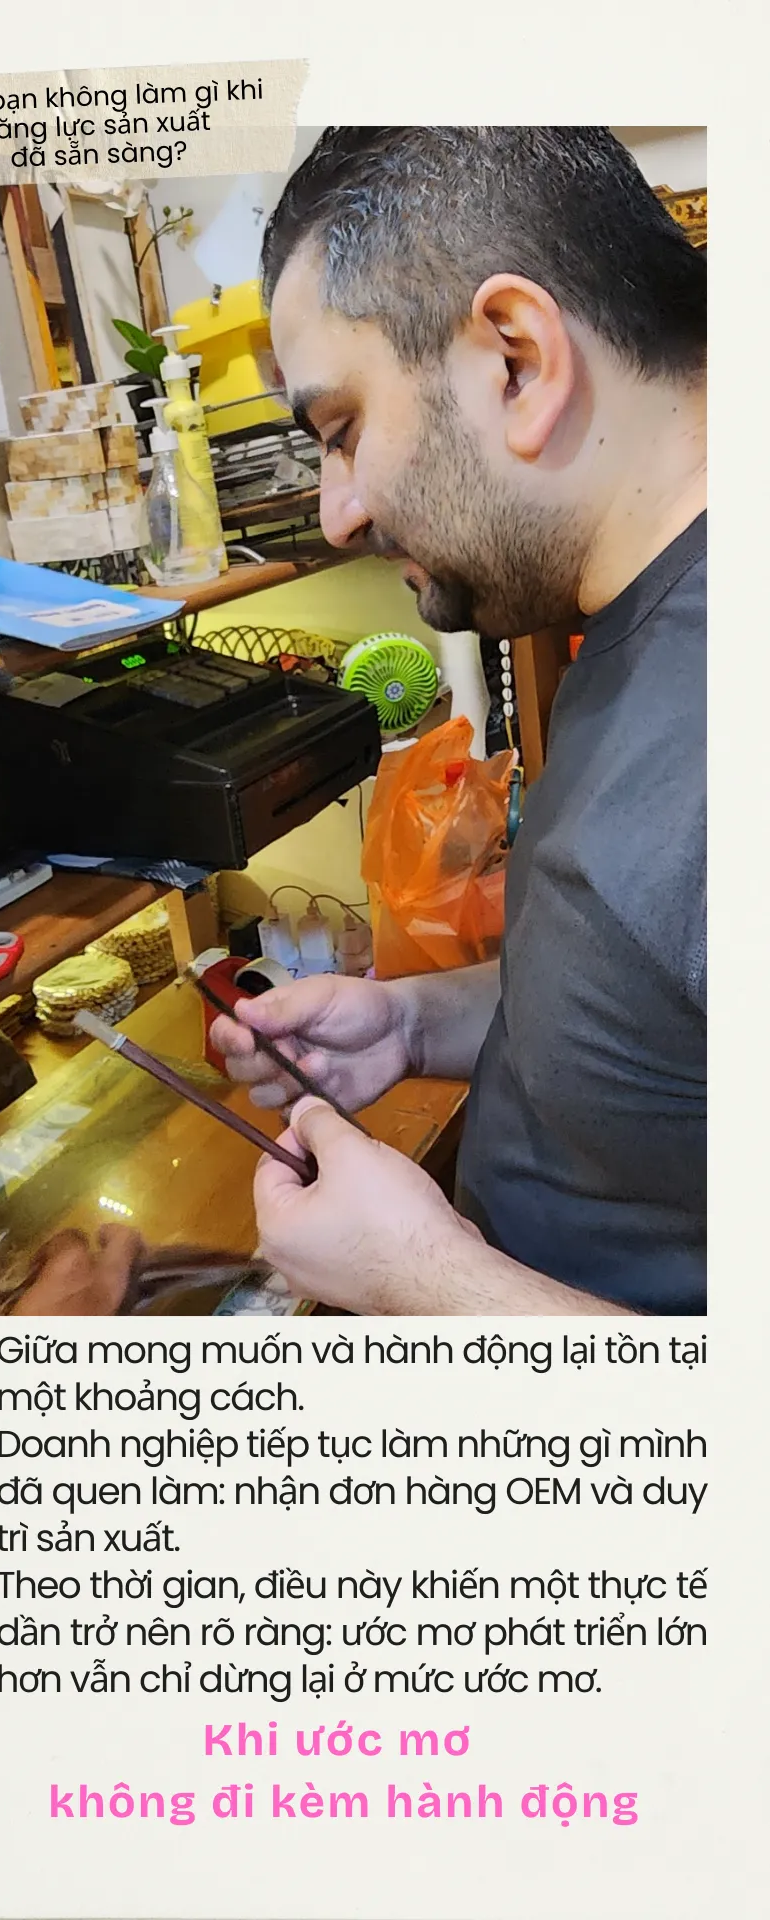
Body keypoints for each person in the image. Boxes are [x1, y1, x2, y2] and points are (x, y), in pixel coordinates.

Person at [212, 127, 706, 1317]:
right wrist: (412, 1020)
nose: (336, 514)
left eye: (341, 430)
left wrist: (419, 1281)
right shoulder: (633, 619)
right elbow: (659, 1016)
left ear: (517, 361)